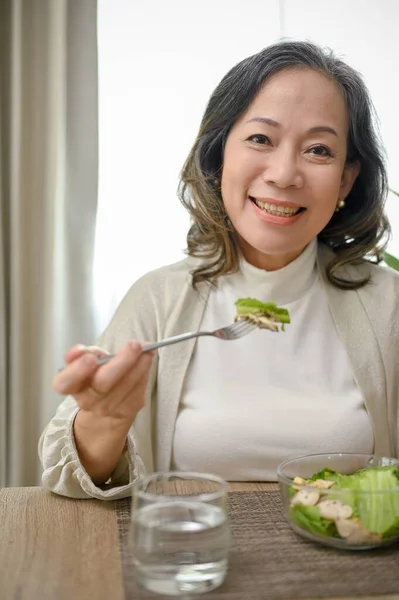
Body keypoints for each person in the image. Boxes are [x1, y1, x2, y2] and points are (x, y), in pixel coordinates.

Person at [39, 40, 399, 500]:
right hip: (194, 556)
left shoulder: (388, 305)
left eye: (319, 150)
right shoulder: (157, 298)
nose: (284, 174)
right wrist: (103, 425)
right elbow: (63, 477)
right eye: (260, 139)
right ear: (219, 155)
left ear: (346, 178)